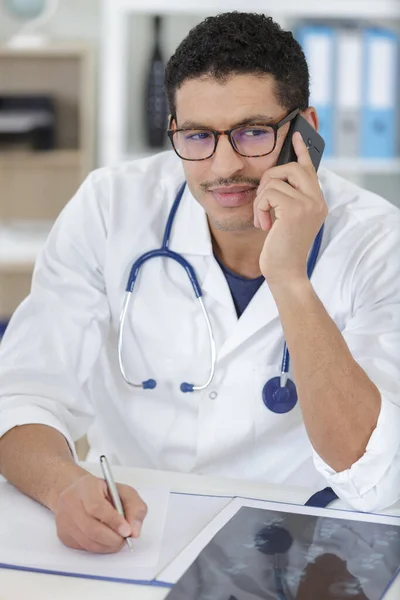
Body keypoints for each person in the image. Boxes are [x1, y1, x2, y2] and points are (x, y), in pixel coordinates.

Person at [0, 12, 399, 555]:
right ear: (173, 132)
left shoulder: (380, 243)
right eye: (197, 136)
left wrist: (289, 278)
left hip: (298, 544)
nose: (223, 166)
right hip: (133, 533)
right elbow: (23, 396)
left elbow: (377, 477)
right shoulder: (109, 207)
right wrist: (63, 484)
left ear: (306, 130)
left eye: (253, 132)